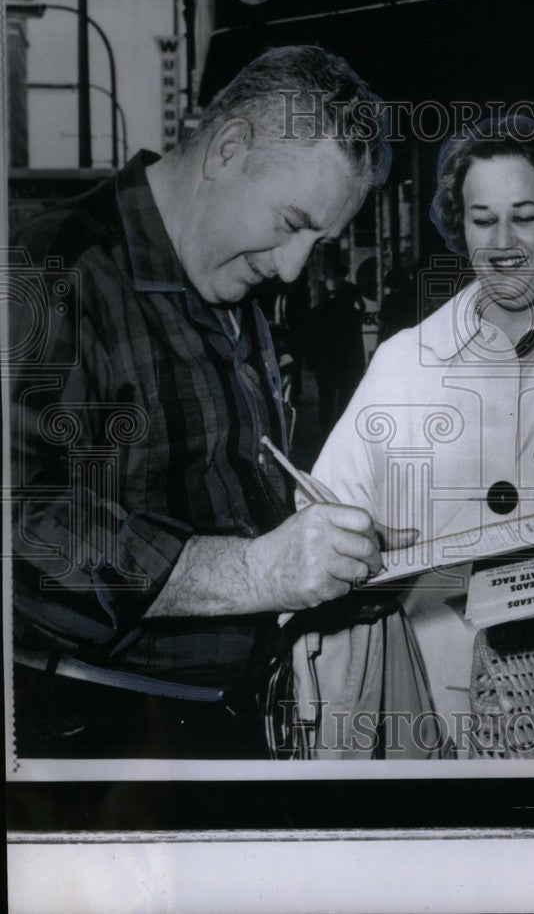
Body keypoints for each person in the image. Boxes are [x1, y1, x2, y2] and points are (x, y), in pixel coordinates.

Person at [9, 45, 404, 759]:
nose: (292, 266)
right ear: (226, 149)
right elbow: (24, 527)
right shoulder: (48, 267)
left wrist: (328, 561)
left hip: (221, 721)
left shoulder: (232, 280)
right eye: (290, 222)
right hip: (96, 739)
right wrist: (256, 571)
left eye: (318, 244)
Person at [277, 115, 534, 758]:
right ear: (462, 230)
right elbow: (322, 512)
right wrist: (356, 550)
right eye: (483, 219)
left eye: (524, 216)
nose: (503, 241)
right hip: (436, 703)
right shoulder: (405, 361)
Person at [305, 258, 368, 434]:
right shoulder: (353, 316)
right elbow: (357, 342)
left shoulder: (318, 312)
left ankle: (326, 431)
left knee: (326, 397)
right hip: (347, 363)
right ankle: (341, 429)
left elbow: (313, 339)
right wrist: (360, 364)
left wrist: (312, 360)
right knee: (346, 396)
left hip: (326, 363)